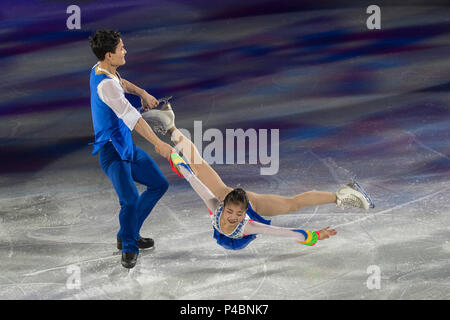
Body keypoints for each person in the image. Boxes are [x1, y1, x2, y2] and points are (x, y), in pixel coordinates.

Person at [141, 100, 375, 250]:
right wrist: (170, 153)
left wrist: (314, 236)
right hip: (230, 196)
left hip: (250, 203)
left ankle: (343, 195)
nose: (232, 217)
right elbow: (190, 175)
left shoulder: (246, 224)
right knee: (198, 167)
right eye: (231, 212)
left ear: (244, 215)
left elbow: (284, 233)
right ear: (223, 206)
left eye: (236, 213)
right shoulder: (219, 203)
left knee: (292, 205)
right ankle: (170, 126)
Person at [88, 29, 175, 268]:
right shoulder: (106, 86)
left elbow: (122, 82)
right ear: (108, 55)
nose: (125, 51)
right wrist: (159, 143)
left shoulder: (103, 70)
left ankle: (127, 231)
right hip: (112, 152)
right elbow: (133, 119)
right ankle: (128, 245)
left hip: (125, 146)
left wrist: (143, 93)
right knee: (130, 200)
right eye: (121, 49)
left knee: (159, 184)